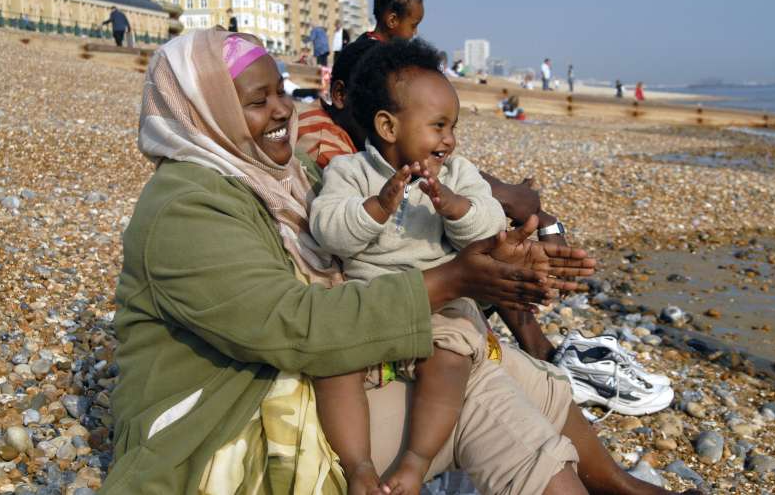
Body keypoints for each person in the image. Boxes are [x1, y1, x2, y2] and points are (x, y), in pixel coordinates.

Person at [99, 27, 616, 495]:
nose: (283, 109)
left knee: (517, 371)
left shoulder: (284, 175)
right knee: (477, 392)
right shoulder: (185, 209)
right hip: (229, 427)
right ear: (205, 110)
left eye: (281, 90)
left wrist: (497, 259)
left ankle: (620, 486)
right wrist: (456, 279)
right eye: (259, 101)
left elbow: (382, 243)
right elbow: (297, 327)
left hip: (298, 376)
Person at [310, 38, 510, 495]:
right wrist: (377, 207)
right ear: (388, 125)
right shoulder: (350, 172)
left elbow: (490, 224)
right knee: (332, 366)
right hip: (368, 304)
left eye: (453, 126)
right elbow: (328, 229)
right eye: (438, 125)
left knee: (452, 360)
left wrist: (456, 207)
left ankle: (416, 461)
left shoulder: (457, 174)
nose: (450, 139)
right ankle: (358, 466)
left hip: (437, 307)